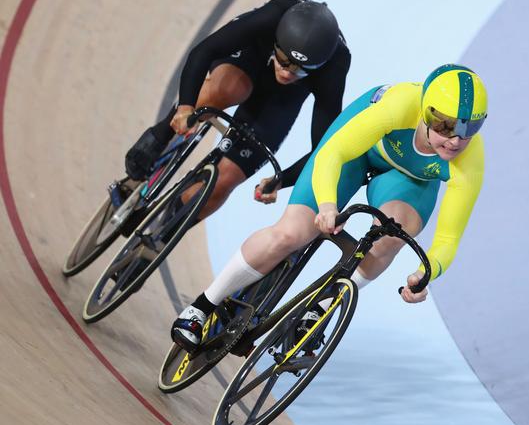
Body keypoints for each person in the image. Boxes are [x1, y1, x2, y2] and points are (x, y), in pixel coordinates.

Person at [171, 64, 487, 352]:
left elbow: (448, 239)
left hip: (406, 180)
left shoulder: (470, 161)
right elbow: (332, 154)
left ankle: (320, 308)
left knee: (392, 236)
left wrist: (425, 273)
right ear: (424, 113)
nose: (456, 141)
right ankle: (200, 307)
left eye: (469, 129)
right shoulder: (399, 106)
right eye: (445, 126)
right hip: (353, 153)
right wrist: (326, 206)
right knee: (291, 234)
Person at [124, 0, 351, 221]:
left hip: (284, 99)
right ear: (277, 42)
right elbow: (204, 51)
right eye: (283, 60)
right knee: (229, 90)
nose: (286, 72)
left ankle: (164, 228)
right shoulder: (272, 16)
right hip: (249, 57)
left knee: (226, 180)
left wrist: (281, 180)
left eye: (300, 69)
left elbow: (323, 150)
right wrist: (184, 107)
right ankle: (160, 139)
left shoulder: (335, 66)